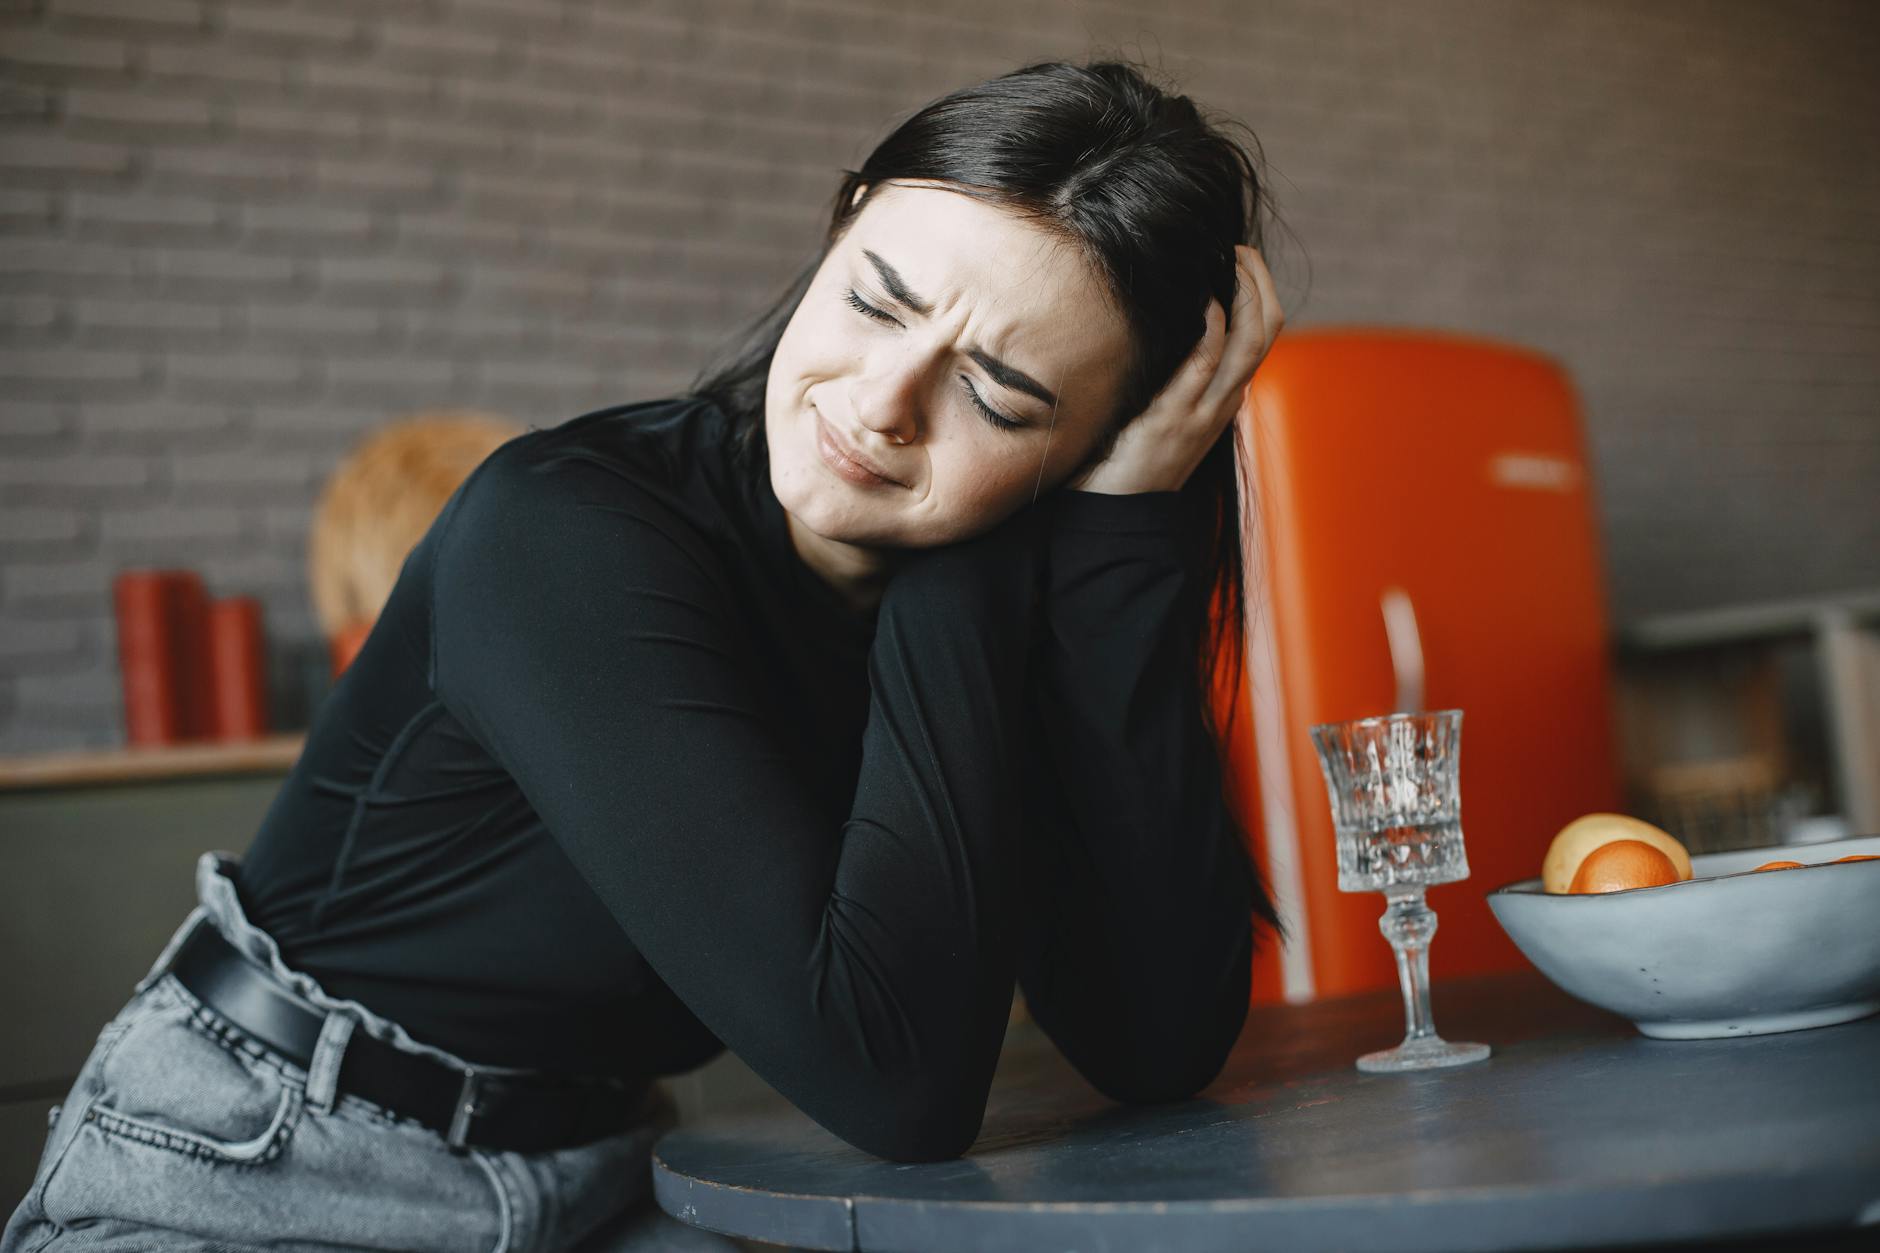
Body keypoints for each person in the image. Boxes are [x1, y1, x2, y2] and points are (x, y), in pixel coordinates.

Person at [4, 57, 1286, 1251]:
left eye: (997, 395)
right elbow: (895, 1080)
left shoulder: (969, 585)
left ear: (1099, 441)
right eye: (871, 299)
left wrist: (1111, 543)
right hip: (255, 1172)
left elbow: (1153, 1040)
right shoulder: (563, 531)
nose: (881, 403)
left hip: (602, 1178)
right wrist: (986, 542)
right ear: (840, 222)